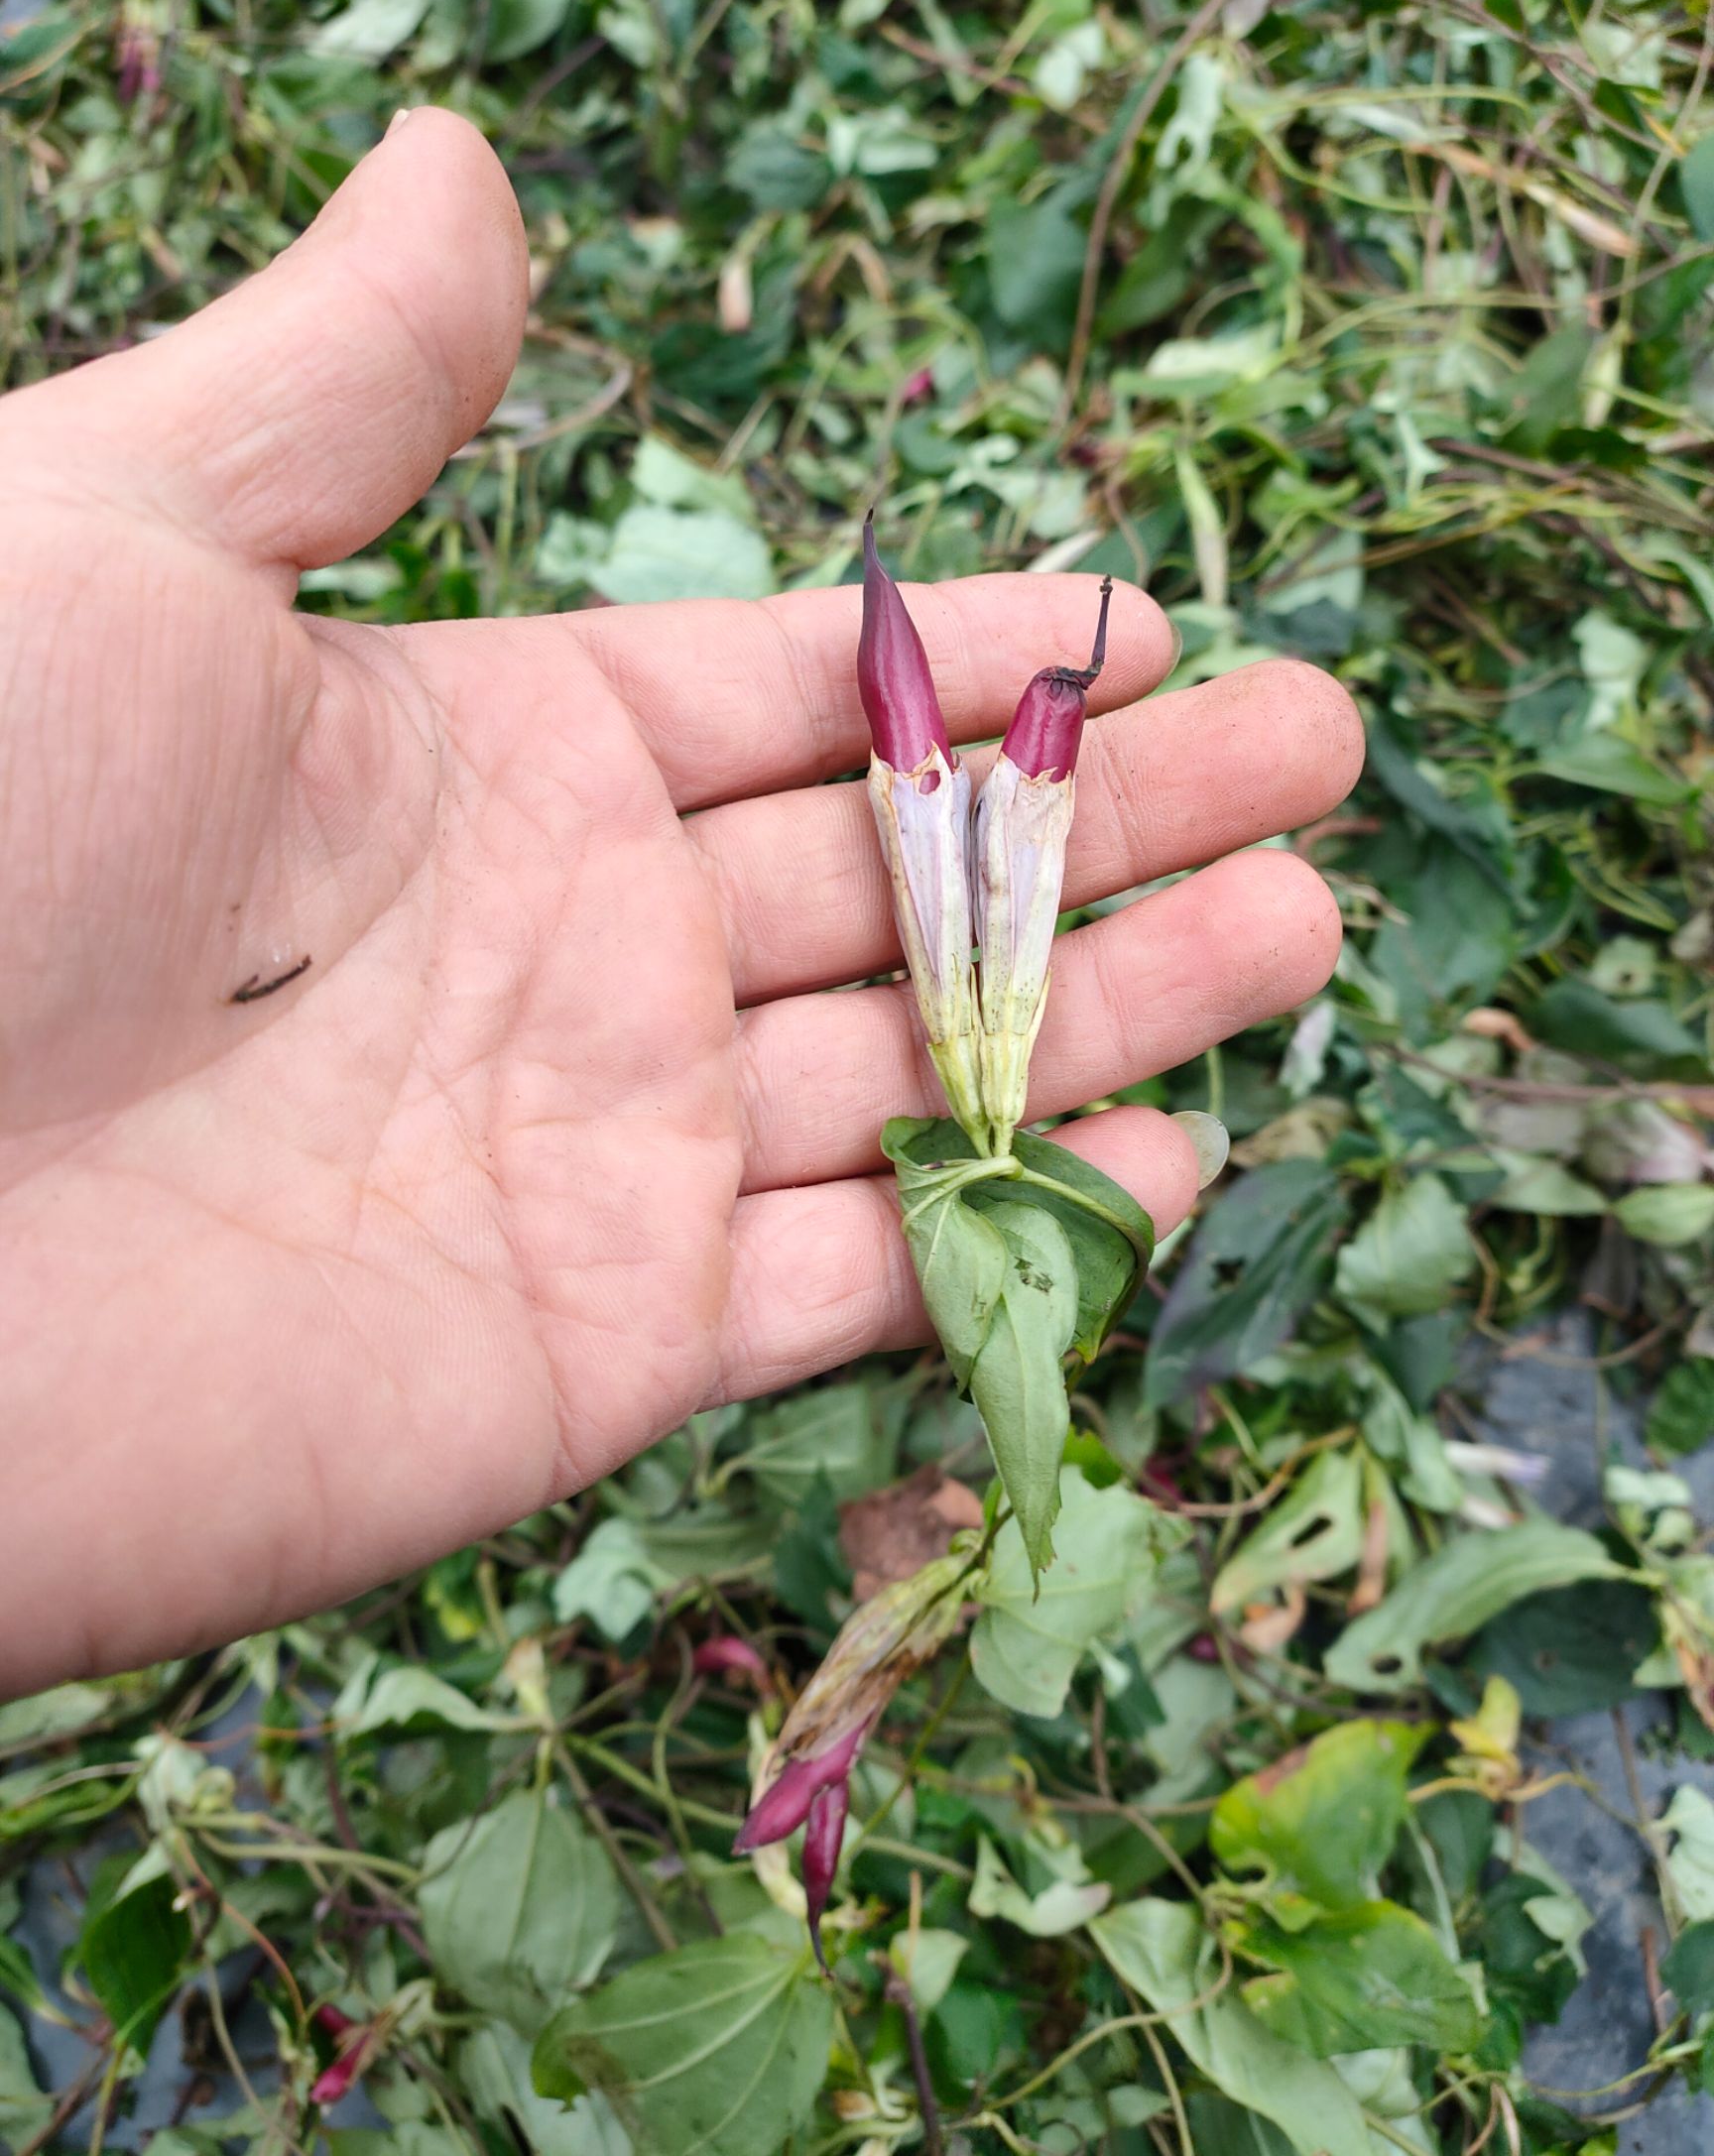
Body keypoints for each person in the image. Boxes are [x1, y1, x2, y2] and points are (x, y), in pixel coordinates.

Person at [0, 110, 1363, 1701]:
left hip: (948, 958)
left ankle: (1012, 1359)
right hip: (940, 984)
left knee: (1009, 855)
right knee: (1005, 913)